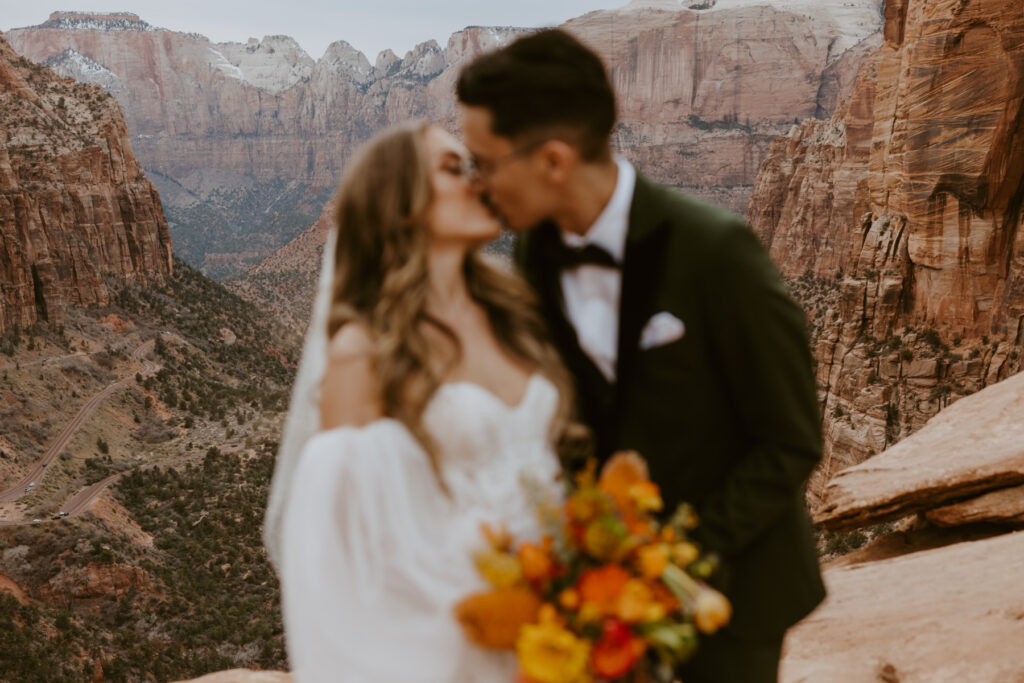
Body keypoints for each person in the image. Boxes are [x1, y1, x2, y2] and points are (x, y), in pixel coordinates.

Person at [457, 29, 826, 682]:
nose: (478, 185)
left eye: (485, 162)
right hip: (600, 597)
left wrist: (669, 557)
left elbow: (791, 440)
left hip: (729, 595)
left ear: (552, 161)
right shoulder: (537, 252)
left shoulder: (719, 253)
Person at [262, 121, 575, 682]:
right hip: (462, 642)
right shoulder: (366, 352)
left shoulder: (515, 312)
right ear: (399, 203)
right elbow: (345, 556)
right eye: (454, 169)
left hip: (568, 622)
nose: (479, 183)